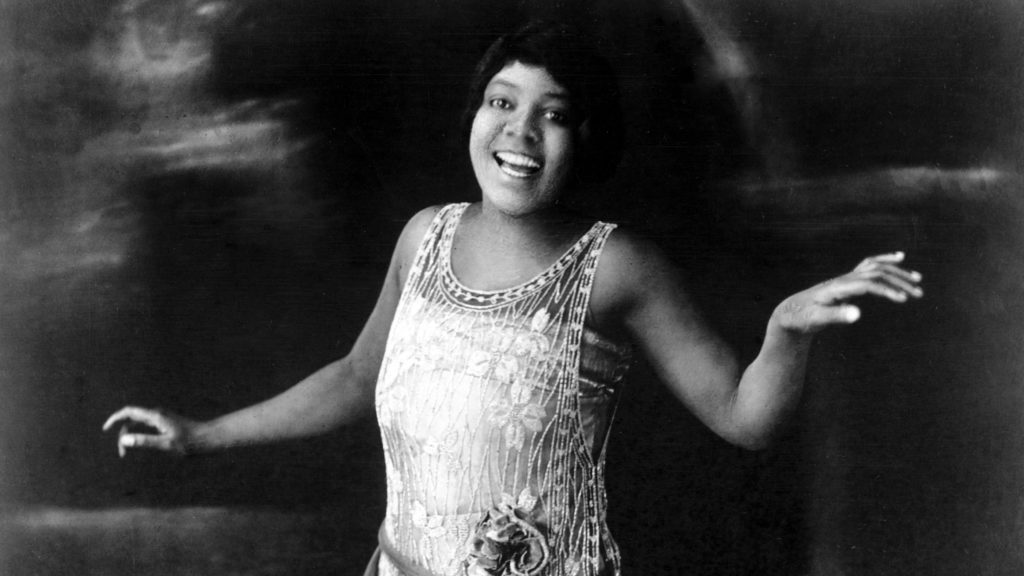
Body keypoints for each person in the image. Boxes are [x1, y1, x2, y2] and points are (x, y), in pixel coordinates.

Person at [103, 21, 923, 576]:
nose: (519, 133)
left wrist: (786, 329)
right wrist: (202, 434)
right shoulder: (422, 234)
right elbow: (356, 378)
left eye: (553, 115)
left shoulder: (618, 267)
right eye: (502, 102)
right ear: (475, 116)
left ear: (587, 138)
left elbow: (746, 422)